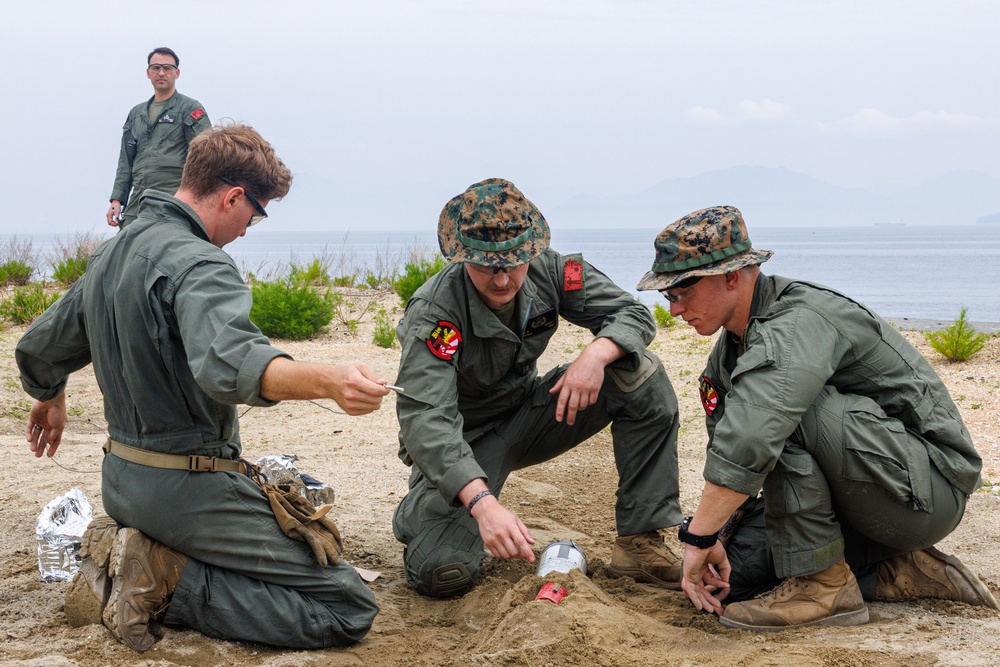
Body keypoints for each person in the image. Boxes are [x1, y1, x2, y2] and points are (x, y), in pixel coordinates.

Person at [18, 123, 391, 652]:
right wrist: (328, 381)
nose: (247, 229)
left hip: (121, 480)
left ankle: (149, 553)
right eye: (254, 213)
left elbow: (38, 346)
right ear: (233, 196)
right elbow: (231, 361)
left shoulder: (111, 254)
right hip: (185, 490)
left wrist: (48, 393)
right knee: (348, 606)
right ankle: (165, 578)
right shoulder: (200, 263)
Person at [635, 205, 998, 631]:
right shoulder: (732, 349)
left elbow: (752, 440)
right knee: (735, 575)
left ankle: (823, 586)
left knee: (779, 414)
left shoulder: (797, 322)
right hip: (868, 489)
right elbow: (733, 458)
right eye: (668, 297)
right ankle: (893, 567)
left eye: (681, 292)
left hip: (926, 492)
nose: (675, 310)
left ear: (730, 277)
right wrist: (718, 536)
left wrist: (698, 538)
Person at [391, 177, 683, 598]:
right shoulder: (436, 312)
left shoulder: (551, 269)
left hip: (531, 414)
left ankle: (640, 542)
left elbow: (631, 314)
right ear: (461, 257)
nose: (502, 279)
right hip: (465, 443)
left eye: (514, 262)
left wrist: (596, 354)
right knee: (442, 572)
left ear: (531, 249)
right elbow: (425, 419)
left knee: (639, 374)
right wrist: (482, 504)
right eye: (487, 265)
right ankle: (421, 511)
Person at [106, 47, 211, 229]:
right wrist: (117, 199)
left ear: (177, 73)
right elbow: (126, 160)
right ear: (148, 73)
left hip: (173, 197)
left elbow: (208, 156)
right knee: (126, 247)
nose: (161, 72)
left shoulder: (190, 109)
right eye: (156, 68)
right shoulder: (136, 114)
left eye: (167, 68)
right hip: (139, 198)